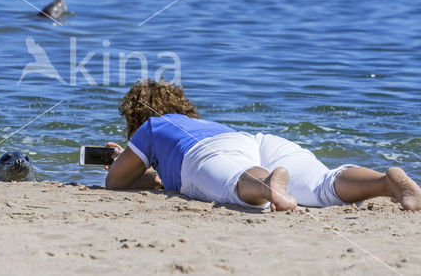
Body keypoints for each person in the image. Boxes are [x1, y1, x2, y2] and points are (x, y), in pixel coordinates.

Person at [105, 79, 421, 211]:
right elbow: (158, 180)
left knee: (237, 181)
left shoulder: (151, 126)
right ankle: (386, 182)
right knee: (323, 186)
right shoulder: (201, 124)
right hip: (255, 142)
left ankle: (270, 185)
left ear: (135, 117)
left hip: (207, 155)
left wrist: (122, 164)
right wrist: (151, 176)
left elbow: (115, 182)